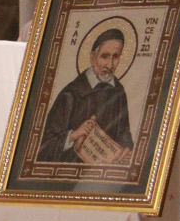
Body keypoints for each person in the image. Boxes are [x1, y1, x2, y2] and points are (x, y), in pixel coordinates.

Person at [36, 28, 133, 163]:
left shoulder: (118, 91)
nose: (110, 65)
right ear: (93, 58)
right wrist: (73, 135)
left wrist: (126, 150)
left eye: (115, 57)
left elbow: (123, 131)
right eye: (104, 56)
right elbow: (43, 147)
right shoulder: (71, 94)